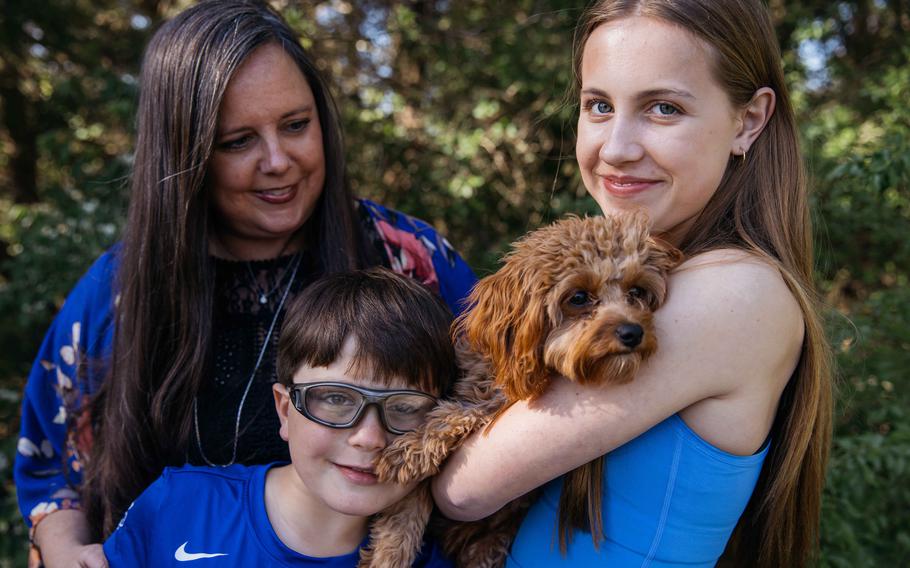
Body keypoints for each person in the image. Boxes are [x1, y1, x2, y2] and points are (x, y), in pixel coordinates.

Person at [14, 2, 475, 567]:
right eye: (238, 141)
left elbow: (506, 397)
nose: (278, 160)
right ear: (186, 154)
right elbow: (48, 469)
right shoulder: (121, 291)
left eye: (296, 125)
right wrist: (63, 549)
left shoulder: (407, 258)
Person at [432, 1, 832, 567]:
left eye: (663, 108)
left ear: (748, 121)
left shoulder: (732, 293)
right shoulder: (671, 277)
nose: (616, 148)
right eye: (599, 105)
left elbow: (464, 489)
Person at [102, 268, 456, 567]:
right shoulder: (179, 505)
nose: (369, 437)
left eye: (406, 408)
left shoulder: (434, 559)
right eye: (335, 399)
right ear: (285, 410)